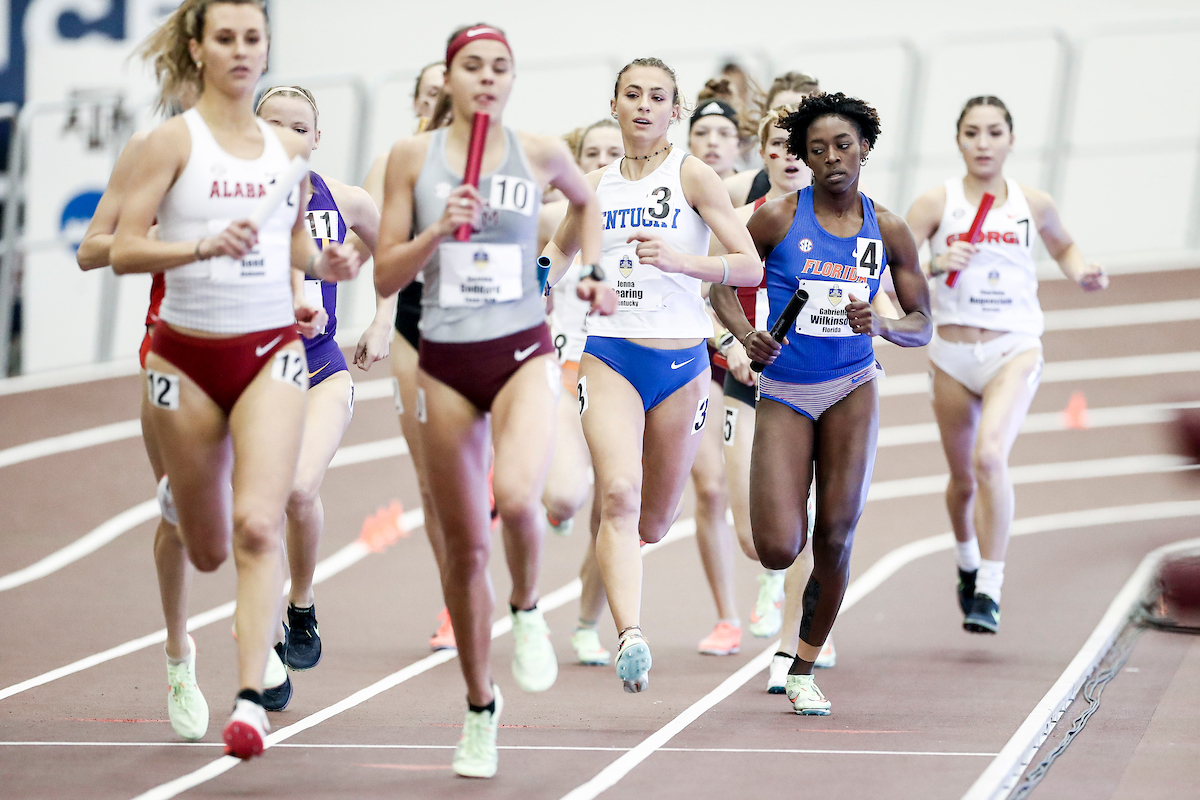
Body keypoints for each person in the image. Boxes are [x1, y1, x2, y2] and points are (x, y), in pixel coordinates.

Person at [110, 0, 360, 758]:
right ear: (199, 48)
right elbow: (114, 249)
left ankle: (253, 693)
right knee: (204, 543)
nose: (243, 49)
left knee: (264, 520)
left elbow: (295, 249)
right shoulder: (166, 145)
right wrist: (195, 249)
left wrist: (329, 267)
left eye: (255, 37)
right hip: (184, 355)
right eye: (227, 37)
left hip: (271, 357)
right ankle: (181, 658)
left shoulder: (286, 163)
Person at [373, 23, 612, 779]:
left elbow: (587, 204)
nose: (486, 77)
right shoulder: (410, 159)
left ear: (512, 79)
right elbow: (383, 275)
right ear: (448, 77)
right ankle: (481, 707)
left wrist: (585, 270)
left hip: (520, 351)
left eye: (499, 67)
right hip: (443, 358)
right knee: (464, 545)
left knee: (516, 496)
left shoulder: (538, 151)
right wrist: (436, 232)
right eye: (471, 66)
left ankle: (528, 606)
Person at [544, 57, 762, 694]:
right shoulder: (593, 185)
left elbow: (746, 266)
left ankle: (614, 591)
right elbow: (555, 253)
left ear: (676, 110)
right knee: (617, 494)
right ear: (614, 105)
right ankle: (629, 635)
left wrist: (682, 260)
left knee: (653, 524)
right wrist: (529, 291)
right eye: (631, 95)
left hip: (682, 363)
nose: (643, 106)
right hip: (608, 353)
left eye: (657, 97)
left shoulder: (691, 175)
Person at [712, 92, 931, 715]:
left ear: (865, 148)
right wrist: (743, 334)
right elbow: (723, 286)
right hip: (785, 389)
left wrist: (884, 325)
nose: (832, 158)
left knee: (836, 535)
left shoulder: (886, 227)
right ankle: (784, 596)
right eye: (817, 149)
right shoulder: (778, 217)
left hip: (852, 386)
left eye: (843, 146)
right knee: (778, 546)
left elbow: (923, 323)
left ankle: (804, 664)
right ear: (802, 158)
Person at [905, 95, 1107, 634]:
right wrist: (934, 262)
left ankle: (989, 589)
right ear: (958, 140)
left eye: (994, 133)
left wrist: (1083, 270)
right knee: (962, 478)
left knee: (990, 456)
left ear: (1011, 140)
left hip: (1013, 347)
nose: (983, 143)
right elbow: (885, 268)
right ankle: (967, 562)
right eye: (973, 133)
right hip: (950, 354)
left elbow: (1064, 246)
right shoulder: (934, 203)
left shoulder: (1031, 202)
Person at [77, 94, 212, 741]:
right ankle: (179, 653)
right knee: (181, 519)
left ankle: (266, 638)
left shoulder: (271, 151)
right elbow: (92, 249)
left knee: (269, 505)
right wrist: (159, 239)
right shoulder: (151, 151)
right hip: (172, 350)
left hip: (263, 350)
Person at [255, 85, 382, 682]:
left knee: (298, 490)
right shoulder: (227, 200)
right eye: (272, 123)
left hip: (320, 367)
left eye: (298, 126)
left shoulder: (343, 199)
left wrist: (383, 317)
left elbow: (397, 251)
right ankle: (267, 643)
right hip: (251, 373)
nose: (285, 135)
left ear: (317, 137)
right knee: (253, 510)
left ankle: (300, 606)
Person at [362, 63, 459, 654]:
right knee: (429, 482)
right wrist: (378, 317)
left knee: (472, 475)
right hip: (413, 323)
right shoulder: (393, 163)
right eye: (432, 93)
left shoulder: (500, 158)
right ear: (419, 101)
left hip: (484, 328)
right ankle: (455, 597)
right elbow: (377, 248)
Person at [539, 118, 624, 668]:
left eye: (610, 153)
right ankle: (557, 495)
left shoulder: (651, 216)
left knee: (615, 509)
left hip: (618, 368)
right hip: (559, 368)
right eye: (589, 154)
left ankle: (589, 622)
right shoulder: (555, 215)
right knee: (566, 495)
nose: (600, 162)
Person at [724, 72, 820, 208]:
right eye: (780, 111)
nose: (789, 121)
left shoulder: (848, 192)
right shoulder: (737, 189)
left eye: (800, 113)